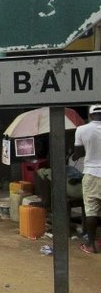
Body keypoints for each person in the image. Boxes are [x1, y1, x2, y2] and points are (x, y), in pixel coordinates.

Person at [73, 104, 101, 254]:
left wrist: (75, 154)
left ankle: (91, 245)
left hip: (91, 173)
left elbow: (78, 153)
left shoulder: (82, 130)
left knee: (91, 211)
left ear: (90, 116)